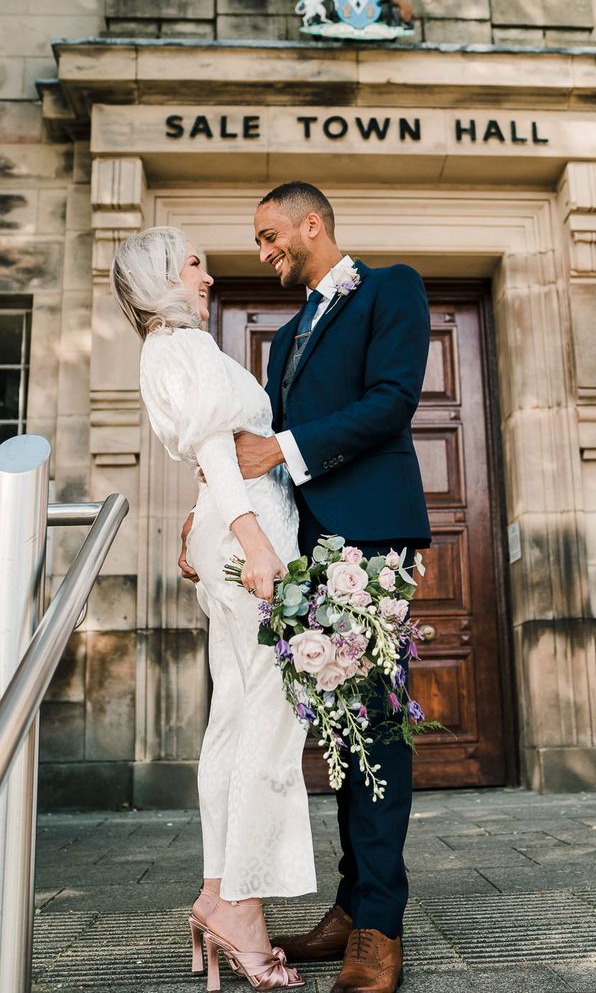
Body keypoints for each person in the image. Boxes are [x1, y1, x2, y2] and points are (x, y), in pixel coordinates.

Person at [181, 182, 431, 993]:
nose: (263, 253)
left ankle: (380, 930)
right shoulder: (284, 338)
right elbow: (242, 459)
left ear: (311, 223)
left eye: (269, 235)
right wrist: (206, 525)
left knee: (380, 729)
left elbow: (391, 404)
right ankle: (352, 906)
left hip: (373, 540)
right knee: (339, 734)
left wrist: (284, 448)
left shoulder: (392, 287)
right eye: (258, 242)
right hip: (306, 552)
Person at [111, 226, 315, 992]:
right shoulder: (185, 349)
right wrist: (252, 542)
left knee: (234, 717)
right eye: (192, 263)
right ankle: (243, 909)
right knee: (268, 723)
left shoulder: (164, 352)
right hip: (249, 535)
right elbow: (221, 453)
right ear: (163, 276)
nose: (206, 274)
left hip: (222, 533)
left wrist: (205, 526)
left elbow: (204, 458)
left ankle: (214, 892)